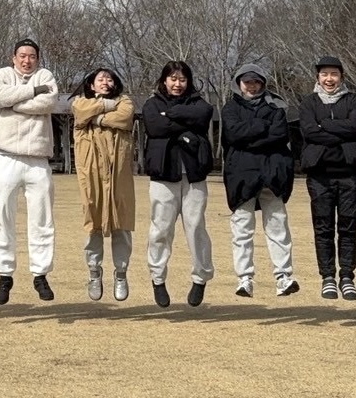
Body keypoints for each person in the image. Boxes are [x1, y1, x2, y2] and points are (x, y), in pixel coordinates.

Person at [0, 38, 59, 305]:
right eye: (22, 55)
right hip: (5, 156)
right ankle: (4, 274)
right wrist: (32, 91)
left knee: (42, 219)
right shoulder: (2, 75)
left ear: (37, 59)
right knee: (1, 216)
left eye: (32, 56)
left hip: (38, 159)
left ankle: (40, 273)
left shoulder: (45, 76)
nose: (26, 60)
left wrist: (15, 103)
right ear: (13, 57)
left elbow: (48, 103)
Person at [221, 63, 298, 299]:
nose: (252, 86)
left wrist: (249, 135)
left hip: (272, 174)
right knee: (242, 229)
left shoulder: (276, 105)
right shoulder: (230, 108)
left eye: (256, 82)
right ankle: (244, 278)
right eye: (247, 82)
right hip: (241, 177)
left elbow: (279, 135)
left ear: (262, 83)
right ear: (239, 84)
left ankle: (283, 276)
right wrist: (262, 129)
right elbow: (233, 135)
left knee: (278, 227)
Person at [142, 60, 214, 308]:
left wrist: (172, 115)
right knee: (160, 229)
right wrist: (186, 122)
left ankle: (200, 278)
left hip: (194, 176)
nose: (177, 84)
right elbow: (155, 126)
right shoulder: (152, 104)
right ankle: (158, 278)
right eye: (173, 79)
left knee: (196, 227)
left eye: (182, 79)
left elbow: (204, 115)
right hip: (163, 176)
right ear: (164, 80)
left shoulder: (198, 103)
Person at [71, 67, 136, 302]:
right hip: (91, 174)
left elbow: (125, 116)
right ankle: (94, 272)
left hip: (118, 173)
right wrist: (106, 107)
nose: (105, 82)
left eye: (109, 78)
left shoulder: (125, 101)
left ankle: (121, 273)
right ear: (91, 85)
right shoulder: (80, 102)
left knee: (122, 223)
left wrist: (97, 117)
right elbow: (80, 112)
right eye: (100, 79)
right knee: (93, 223)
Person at [298, 54, 356, 300]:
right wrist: (341, 131)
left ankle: (347, 276)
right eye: (324, 74)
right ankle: (328, 277)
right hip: (319, 175)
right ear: (318, 77)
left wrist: (326, 126)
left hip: (350, 174)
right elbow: (309, 131)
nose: (329, 79)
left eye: (334, 74)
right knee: (323, 227)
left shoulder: (352, 99)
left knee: (349, 226)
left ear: (341, 76)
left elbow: (355, 127)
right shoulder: (309, 102)